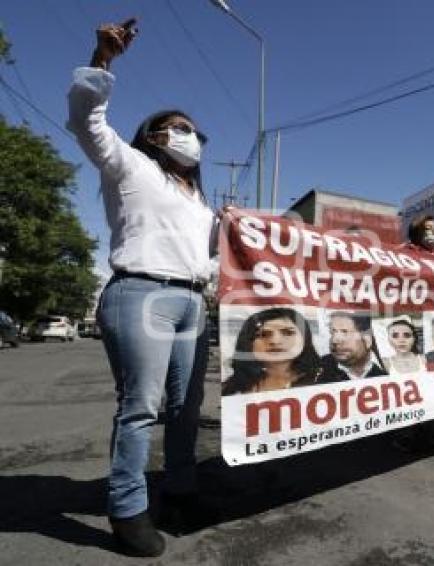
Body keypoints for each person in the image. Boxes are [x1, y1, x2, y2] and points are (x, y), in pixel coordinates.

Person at [67, 18, 219, 557]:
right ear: (154, 136)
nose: (188, 136)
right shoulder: (128, 164)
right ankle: (127, 507)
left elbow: (224, 255)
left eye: (193, 130)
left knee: (186, 407)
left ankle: (181, 490)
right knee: (142, 405)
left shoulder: (200, 202)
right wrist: (102, 59)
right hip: (140, 294)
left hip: (192, 302)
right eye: (176, 127)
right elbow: (86, 121)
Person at [222, 308, 322, 395]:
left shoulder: (324, 379)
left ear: (305, 338)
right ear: (248, 342)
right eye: (263, 334)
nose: (275, 341)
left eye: (288, 333)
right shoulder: (231, 388)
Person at [318, 311, 387, 382]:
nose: (335, 340)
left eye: (344, 332)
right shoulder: (317, 369)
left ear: (367, 339)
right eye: (332, 332)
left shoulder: (388, 372)